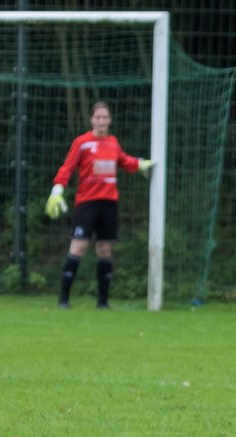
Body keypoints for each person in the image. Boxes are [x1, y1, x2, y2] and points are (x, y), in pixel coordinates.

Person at [44, 101, 155, 309]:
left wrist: (140, 164)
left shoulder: (113, 142)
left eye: (105, 117)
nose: (101, 121)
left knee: (104, 249)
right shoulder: (82, 142)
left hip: (109, 204)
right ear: (92, 120)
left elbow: (123, 160)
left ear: (110, 120)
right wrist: (57, 189)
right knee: (79, 246)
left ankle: (103, 303)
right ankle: (63, 300)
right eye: (98, 117)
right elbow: (67, 167)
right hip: (87, 203)